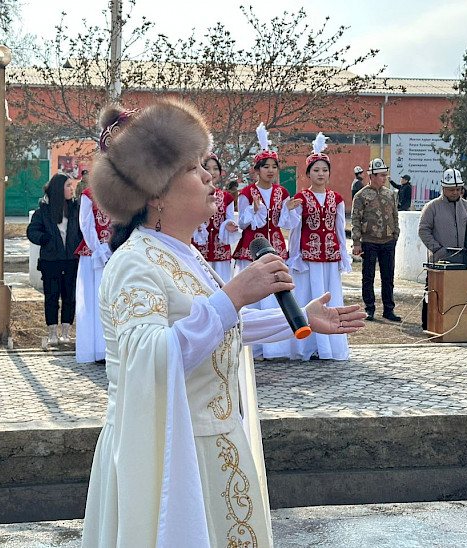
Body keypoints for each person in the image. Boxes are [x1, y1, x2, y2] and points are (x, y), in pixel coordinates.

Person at [80, 99, 365, 547]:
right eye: (194, 169)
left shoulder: (185, 253)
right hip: (167, 455)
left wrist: (295, 321)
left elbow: (218, 327)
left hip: (213, 446)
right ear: (155, 194)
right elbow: (151, 358)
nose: (211, 176)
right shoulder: (135, 263)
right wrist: (233, 295)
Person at [279, 133, 352, 360]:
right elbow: (291, 226)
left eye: (324, 170)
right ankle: (306, 347)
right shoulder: (301, 197)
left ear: (329, 173)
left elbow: (339, 228)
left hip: (329, 257)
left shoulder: (336, 198)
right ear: (308, 173)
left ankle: (330, 347)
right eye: (316, 170)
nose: (321, 174)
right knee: (308, 298)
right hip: (308, 257)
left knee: (331, 299)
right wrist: (288, 209)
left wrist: (343, 254)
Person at [232, 123, 291, 359]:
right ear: (256, 169)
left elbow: (286, 223)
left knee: (275, 293)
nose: (270, 170)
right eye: (265, 166)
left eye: (274, 166)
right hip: (251, 248)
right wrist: (255, 211)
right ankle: (252, 349)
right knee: (253, 295)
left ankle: (276, 348)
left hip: (275, 245)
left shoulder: (282, 193)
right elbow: (243, 225)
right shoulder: (247, 194)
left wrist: (291, 210)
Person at [27, 173, 81, 345]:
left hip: (72, 260)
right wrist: (45, 239)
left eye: (72, 186)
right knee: (51, 297)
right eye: (68, 186)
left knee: (70, 297)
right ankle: (52, 333)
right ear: (58, 189)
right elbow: (32, 231)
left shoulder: (76, 209)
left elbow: (83, 230)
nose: (72, 189)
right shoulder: (43, 210)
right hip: (51, 261)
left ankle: (67, 332)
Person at [418, 168, 467, 331]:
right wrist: (438, 250)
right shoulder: (432, 207)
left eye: (458, 189)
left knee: (462, 295)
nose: (455, 193)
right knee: (433, 295)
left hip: (463, 262)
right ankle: (429, 325)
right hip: (440, 261)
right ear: (443, 188)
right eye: (452, 190)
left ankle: (459, 326)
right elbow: (423, 230)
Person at [351, 158, 401, 322]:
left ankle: (389, 309)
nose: (384, 178)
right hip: (369, 241)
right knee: (368, 276)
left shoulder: (391, 194)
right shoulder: (361, 196)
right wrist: (356, 242)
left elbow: (395, 216)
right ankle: (369, 308)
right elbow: (356, 220)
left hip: (388, 241)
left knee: (388, 276)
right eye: (381, 175)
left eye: (385, 175)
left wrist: (395, 235)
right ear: (371, 175)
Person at [74, 184, 111, 363]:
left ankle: (112, 349)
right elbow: (85, 223)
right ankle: (96, 350)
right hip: (94, 255)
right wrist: (99, 249)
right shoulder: (89, 194)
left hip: (117, 252)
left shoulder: (126, 191)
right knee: (93, 302)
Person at [191, 153, 239, 283]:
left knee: (222, 285)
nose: (212, 172)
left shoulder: (227, 198)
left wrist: (229, 225)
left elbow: (228, 218)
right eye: (207, 168)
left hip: (221, 253)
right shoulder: (192, 195)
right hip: (199, 252)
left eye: (215, 168)